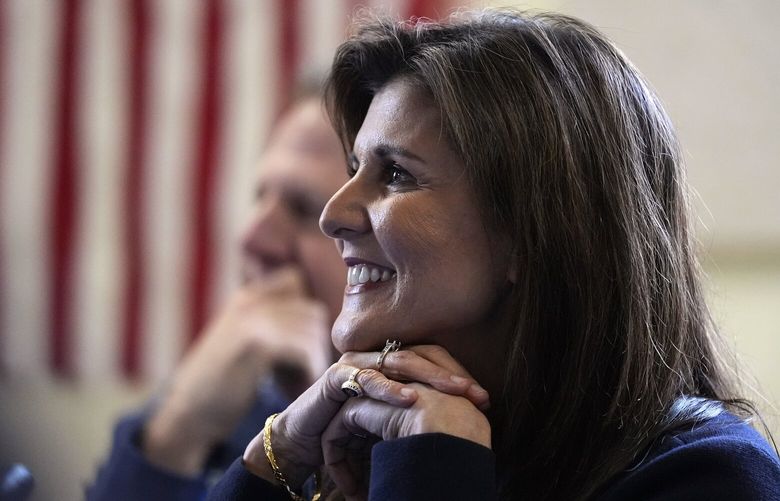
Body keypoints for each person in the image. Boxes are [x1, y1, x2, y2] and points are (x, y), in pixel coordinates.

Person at [206, 9, 780, 501]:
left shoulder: (709, 476)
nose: (334, 214)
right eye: (355, 169)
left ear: (533, 234)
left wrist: (434, 469)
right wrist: (273, 459)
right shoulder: (362, 434)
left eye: (397, 173)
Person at [87, 88, 349, 500]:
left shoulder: (441, 438)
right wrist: (178, 432)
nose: (251, 237)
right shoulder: (230, 404)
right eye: (259, 197)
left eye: (303, 208)